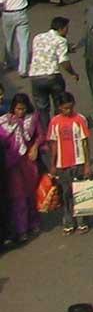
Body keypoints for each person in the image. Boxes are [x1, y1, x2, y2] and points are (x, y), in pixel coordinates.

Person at [42, 94, 90, 235]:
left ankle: (82, 222)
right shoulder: (54, 122)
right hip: (62, 165)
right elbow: (54, 144)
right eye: (64, 108)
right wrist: (53, 164)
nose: (67, 111)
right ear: (59, 108)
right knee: (65, 194)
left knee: (80, 193)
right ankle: (68, 222)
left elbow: (85, 142)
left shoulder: (80, 119)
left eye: (70, 107)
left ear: (73, 104)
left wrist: (87, 164)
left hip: (79, 162)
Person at [2, 95, 40, 248]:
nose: (21, 112)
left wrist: (36, 147)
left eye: (23, 109)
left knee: (31, 194)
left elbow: (40, 136)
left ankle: (33, 223)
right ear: (13, 108)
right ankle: (21, 229)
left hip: (28, 163)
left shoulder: (32, 120)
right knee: (18, 198)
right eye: (18, 109)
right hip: (12, 164)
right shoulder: (4, 122)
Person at [25, 19, 75, 124]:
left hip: (36, 77)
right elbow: (63, 61)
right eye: (67, 28)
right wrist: (73, 73)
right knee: (59, 105)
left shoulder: (38, 37)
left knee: (42, 109)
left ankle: (46, 133)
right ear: (61, 29)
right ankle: (58, 128)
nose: (67, 31)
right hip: (52, 77)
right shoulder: (60, 40)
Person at [0, 0, 26, 79]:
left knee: (8, 41)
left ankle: (9, 63)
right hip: (21, 14)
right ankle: (23, 69)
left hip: (8, 14)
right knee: (23, 43)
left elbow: (0, 1)